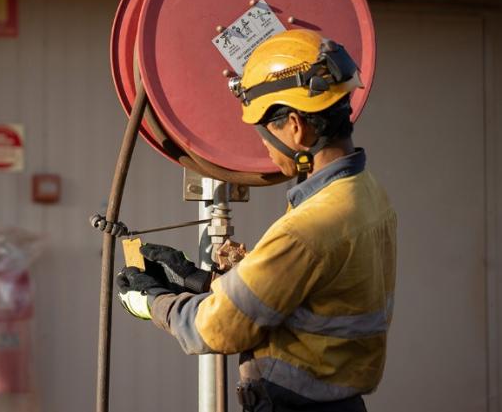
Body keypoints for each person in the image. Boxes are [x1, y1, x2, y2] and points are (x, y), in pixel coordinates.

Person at [116, 29, 397, 412]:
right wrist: (202, 280)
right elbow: (303, 294)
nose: (263, 146)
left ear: (296, 127)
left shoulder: (309, 227)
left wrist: (153, 302)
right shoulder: (367, 194)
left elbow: (217, 329)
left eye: (265, 133)